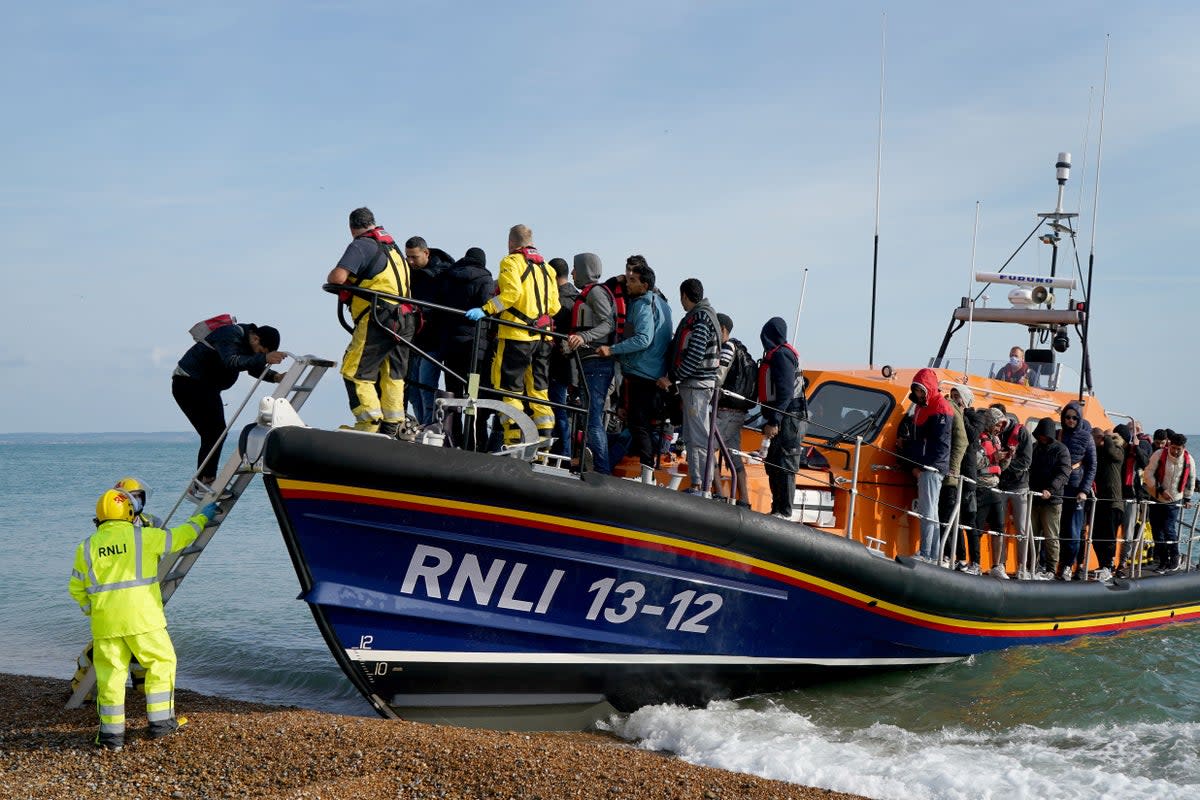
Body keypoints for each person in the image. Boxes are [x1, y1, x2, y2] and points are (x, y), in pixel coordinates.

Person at [69, 489, 219, 750]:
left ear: (99, 516)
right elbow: (182, 537)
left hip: (106, 624)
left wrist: (93, 611)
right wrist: (201, 518)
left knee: (111, 678)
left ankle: (111, 738)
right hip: (143, 620)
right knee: (161, 662)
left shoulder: (86, 547)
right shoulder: (143, 537)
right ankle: (161, 725)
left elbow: (77, 589)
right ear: (129, 512)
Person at [464, 225, 560, 446]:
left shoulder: (510, 262)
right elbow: (554, 307)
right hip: (543, 338)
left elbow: (510, 294)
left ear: (510, 243)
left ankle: (513, 441)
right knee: (539, 391)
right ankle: (545, 444)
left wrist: (486, 310)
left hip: (516, 336)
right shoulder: (547, 269)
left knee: (510, 389)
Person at [327, 207, 415, 437]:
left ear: (351, 228)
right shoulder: (394, 249)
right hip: (405, 320)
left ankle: (370, 422)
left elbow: (337, 278)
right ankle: (394, 423)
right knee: (393, 373)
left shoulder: (361, 245)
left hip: (379, 317)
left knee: (353, 370)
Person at [172, 321, 284, 493]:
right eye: (261, 351)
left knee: (213, 434)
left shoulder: (247, 343)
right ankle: (204, 482)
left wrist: (276, 377)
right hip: (189, 383)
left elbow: (252, 367)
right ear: (255, 338)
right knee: (215, 433)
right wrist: (264, 358)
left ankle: (202, 482)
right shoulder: (230, 335)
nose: (260, 355)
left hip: (203, 386)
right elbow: (232, 361)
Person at [596, 257, 672, 473]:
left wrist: (612, 350)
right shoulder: (664, 305)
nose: (627, 284)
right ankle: (644, 472)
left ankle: (645, 474)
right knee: (640, 427)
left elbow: (643, 339)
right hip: (653, 373)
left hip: (641, 373)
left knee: (639, 427)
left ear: (644, 285)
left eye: (632, 280)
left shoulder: (642, 305)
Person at [659, 279, 721, 494]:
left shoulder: (700, 318)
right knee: (695, 436)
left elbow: (694, 354)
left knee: (698, 437)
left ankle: (701, 485)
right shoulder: (704, 315)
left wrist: (673, 377)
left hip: (697, 386)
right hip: (695, 385)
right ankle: (699, 483)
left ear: (685, 295)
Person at [565, 253, 617, 473]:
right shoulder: (591, 294)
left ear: (584, 270)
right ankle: (596, 466)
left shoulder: (595, 293)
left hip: (597, 365)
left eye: (575, 268)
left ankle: (602, 470)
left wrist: (583, 338)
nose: (572, 273)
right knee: (591, 417)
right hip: (589, 363)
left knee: (594, 419)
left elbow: (608, 324)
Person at [758, 317, 808, 519]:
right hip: (782, 416)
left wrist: (775, 420)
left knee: (785, 463)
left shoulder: (782, 356)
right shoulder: (779, 354)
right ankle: (777, 507)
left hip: (789, 418)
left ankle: (785, 511)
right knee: (772, 462)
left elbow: (786, 392)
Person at [403, 237, 455, 425]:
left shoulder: (443, 275)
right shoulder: (409, 272)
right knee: (412, 392)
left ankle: (430, 426)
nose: (410, 261)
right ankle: (422, 424)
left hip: (433, 339)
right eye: (407, 257)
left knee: (426, 387)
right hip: (413, 339)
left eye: (414, 257)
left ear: (426, 253)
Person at [903, 368, 953, 560]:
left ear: (928, 389)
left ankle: (927, 554)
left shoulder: (940, 408)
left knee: (928, 511)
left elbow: (940, 444)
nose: (917, 394)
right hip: (925, 466)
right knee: (930, 510)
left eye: (920, 390)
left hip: (931, 468)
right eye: (915, 390)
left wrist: (926, 466)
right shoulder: (922, 407)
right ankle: (933, 554)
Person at [712, 313, 753, 507]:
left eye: (714, 328)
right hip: (739, 412)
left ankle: (718, 493)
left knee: (705, 449)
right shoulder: (743, 350)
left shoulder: (727, 348)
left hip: (726, 411)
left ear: (723, 329)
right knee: (733, 454)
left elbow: (719, 375)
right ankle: (744, 499)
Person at [1143, 432, 1196, 573]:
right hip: (1156, 497)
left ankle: (1174, 557)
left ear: (1183, 447)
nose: (1175, 451)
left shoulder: (1188, 459)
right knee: (1156, 530)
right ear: (1169, 445)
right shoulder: (1159, 455)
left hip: (1175, 499)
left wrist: (1188, 498)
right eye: (1173, 447)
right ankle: (1162, 560)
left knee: (1169, 528)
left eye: (1178, 448)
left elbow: (1191, 480)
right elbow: (1147, 474)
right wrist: (1160, 490)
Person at [1029, 417, 1072, 578]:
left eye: (1044, 435)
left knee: (1051, 537)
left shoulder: (1061, 450)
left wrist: (1050, 490)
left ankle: (1051, 570)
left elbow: (1063, 473)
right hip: (1034, 498)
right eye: (1040, 435)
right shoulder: (1034, 448)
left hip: (1052, 500)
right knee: (1031, 535)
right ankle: (1031, 566)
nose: (1042, 438)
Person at [1057, 401, 1096, 580]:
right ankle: (1050, 565)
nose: (1070, 420)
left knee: (1073, 532)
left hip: (1076, 489)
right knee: (1057, 529)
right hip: (1057, 487)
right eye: (1067, 417)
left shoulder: (1087, 438)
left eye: (1074, 417)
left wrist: (1084, 490)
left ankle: (1067, 565)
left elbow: (1091, 466)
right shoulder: (1059, 434)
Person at [994, 405, 1033, 578]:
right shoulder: (994, 433)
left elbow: (1026, 461)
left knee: (1022, 529)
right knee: (999, 526)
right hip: (1000, 486)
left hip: (1019, 486)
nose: (997, 427)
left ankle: (1021, 567)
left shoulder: (1022, 433)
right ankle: (1000, 564)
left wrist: (1004, 465)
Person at [548, 258, 581, 457]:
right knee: (560, 409)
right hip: (572, 365)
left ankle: (562, 452)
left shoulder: (555, 300)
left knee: (556, 408)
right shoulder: (578, 299)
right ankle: (565, 453)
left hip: (554, 362)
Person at [1091, 426, 1126, 581]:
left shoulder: (1118, 451)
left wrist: (1107, 437)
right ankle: (1103, 564)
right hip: (1100, 502)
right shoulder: (1099, 452)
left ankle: (1109, 566)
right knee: (1096, 536)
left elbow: (1112, 453)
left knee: (1109, 537)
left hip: (1113, 503)